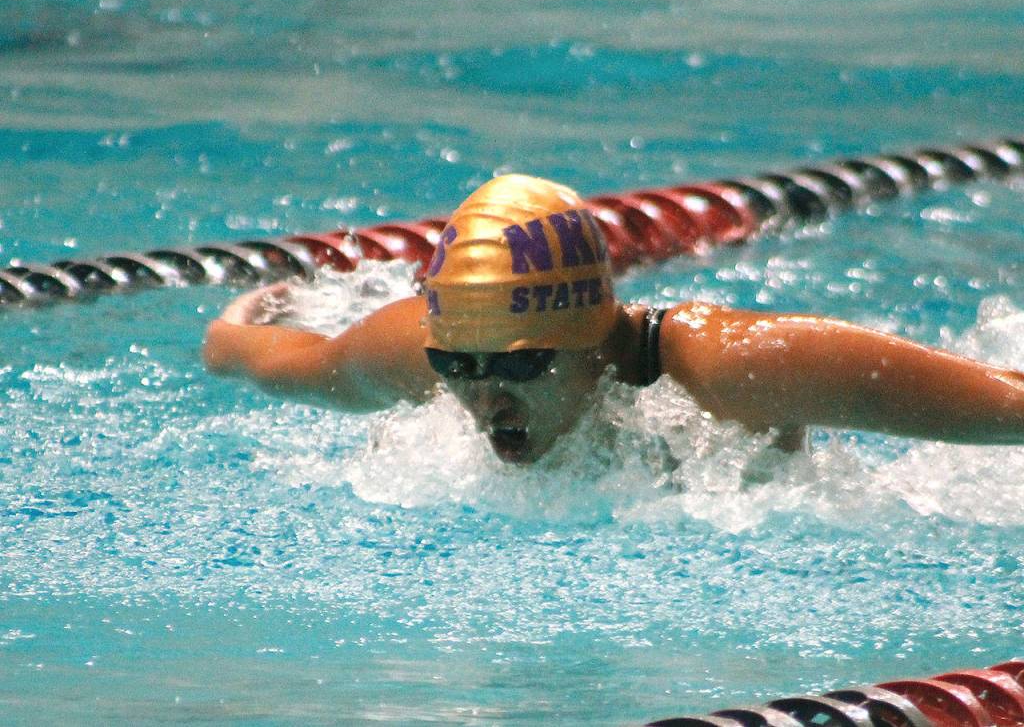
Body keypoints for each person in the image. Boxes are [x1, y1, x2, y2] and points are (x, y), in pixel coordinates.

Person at [204, 174, 1024, 464]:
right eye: (459, 367)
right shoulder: (422, 349)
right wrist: (246, 313)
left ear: (591, 336)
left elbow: (1008, 403)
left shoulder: (734, 367)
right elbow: (254, 354)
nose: (483, 395)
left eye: (521, 365)